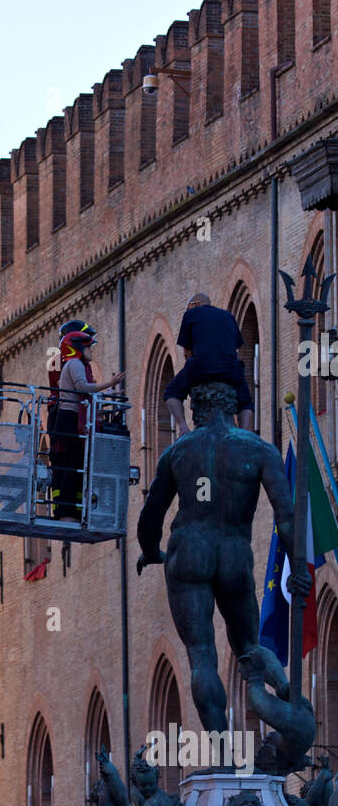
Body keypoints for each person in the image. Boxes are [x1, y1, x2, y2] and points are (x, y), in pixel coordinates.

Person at [136, 381, 312, 757]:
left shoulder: (178, 452)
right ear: (232, 407)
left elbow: (150, 517)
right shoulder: (258, 449)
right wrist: (299, 566)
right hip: (233, 552)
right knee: (248, 645)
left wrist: (151, 551)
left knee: (202, 654)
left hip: (188, 552)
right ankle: (284, 689)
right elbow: (287, 516)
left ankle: (223, 756)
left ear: (196, 410)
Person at [52, 331, 124, 521]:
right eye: (88, 346)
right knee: (73, 463)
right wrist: (110, 382)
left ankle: (72, 510)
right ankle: (66, 512)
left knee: (76, 463)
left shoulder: (75, 364)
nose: (91, 350)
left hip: (70, 417)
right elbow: (82, 387)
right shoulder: (75, 363)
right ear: (78, 348)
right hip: (69, 417)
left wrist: (107, 391)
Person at [163, 292, 254, 435]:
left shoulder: (191, 314)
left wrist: (190, 367)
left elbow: (187, 350)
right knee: (246, 402)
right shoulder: (228, 316)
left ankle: (182, 428)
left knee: (171, 393)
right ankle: (246, 433)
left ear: (194, 304)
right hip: (230, 368)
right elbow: (236, 346)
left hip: (201, 365)